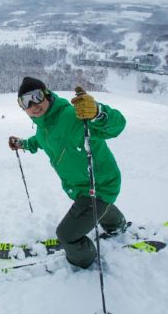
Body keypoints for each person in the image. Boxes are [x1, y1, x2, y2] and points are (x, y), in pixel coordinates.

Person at [9, 76, 127, 269]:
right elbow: (39, 141)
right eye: (25, 101)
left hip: (99, 184)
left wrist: (98, 113)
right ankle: (117, 224)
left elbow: (117, 125)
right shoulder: (42, 127)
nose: (32, 105)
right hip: (81, 187)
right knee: (97, 206)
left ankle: (84, 261)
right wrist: (22, 144)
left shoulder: (73, 115)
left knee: (66, 235)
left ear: (47, 94)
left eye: (36, 96)